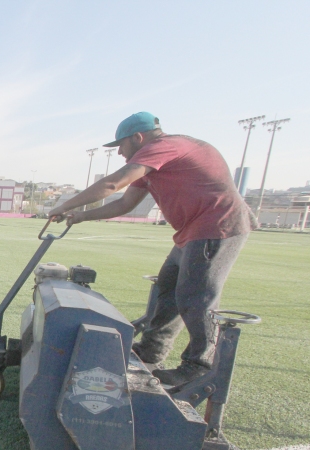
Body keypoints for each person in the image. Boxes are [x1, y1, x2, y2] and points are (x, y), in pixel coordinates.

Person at [48, 112, 254, 388]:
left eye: (120, 145)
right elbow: (124, 204)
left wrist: (67, 205)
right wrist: (81, 216)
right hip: (191, 232)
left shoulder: (165, 147)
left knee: (196, 297)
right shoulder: (154, 163)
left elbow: (113, 184)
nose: (120, 153)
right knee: (167, 291)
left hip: (216, 226)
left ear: (138, 137)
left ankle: (199, 367)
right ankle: (151, 353)